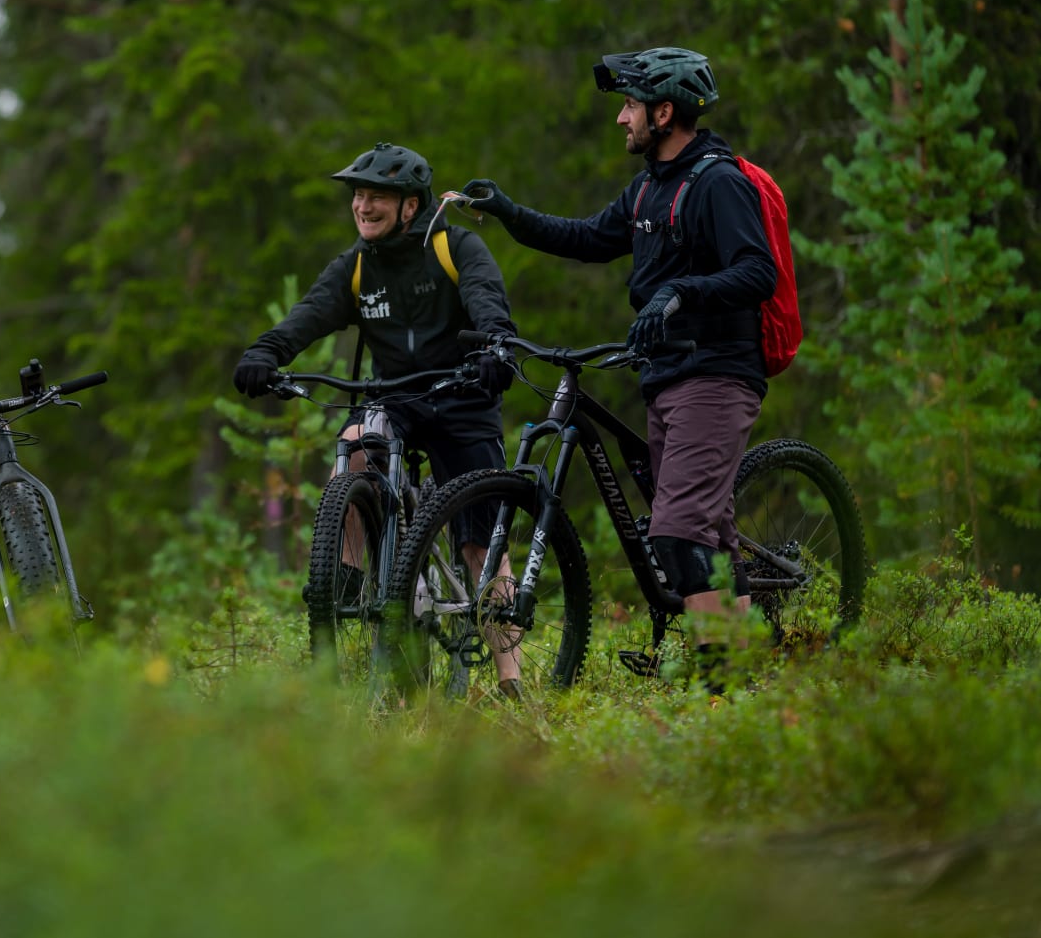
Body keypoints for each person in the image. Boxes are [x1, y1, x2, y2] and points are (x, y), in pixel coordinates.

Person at [464, 47, 776, 650]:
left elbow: (756, 271)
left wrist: (679, 293)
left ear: (663, 114)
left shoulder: (718, 183)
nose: (620, 118)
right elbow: (585, 238)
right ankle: (744, 663)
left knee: (679, 536)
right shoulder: (647, 190)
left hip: (716, 373)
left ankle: (719, 676)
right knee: (705, 532)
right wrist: (507, 213)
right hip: (668, 375)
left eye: (629, 105)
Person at [231, 143, 520, 687]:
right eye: (358, 196)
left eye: (376, 197)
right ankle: (345, 574)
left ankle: (512, 682)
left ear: (410, 205)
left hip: (463, 399)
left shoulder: (455, 247)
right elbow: (308, 315)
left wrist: (495, 348)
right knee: (357, 439)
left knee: (483, 545)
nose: (363, 206)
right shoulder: (357, 266)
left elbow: (488, 303)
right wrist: (264, 352)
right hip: (397, 401)